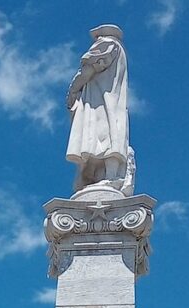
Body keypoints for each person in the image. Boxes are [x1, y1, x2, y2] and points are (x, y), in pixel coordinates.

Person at [65, 25, 131, 194]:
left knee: (105, 134)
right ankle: (106, 176)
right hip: (109, 99)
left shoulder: (108, 44)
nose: (95, 40)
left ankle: (111, 177)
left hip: (100, 100)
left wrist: (73, 89)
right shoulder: (121, 51)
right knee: (111, 133)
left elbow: (89, 68)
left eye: (96, 37)